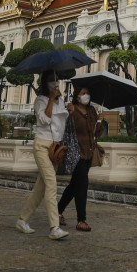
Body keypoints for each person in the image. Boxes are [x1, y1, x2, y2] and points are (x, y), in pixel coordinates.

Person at [15, 70, 70, 240]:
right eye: (52, 80)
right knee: (51, 183)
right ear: (45, 83)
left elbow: (61, 123)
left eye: (57, 79)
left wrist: (69, 108)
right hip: (41, 145)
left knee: (41, 188)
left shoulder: (61, 101)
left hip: (54, 147)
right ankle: (54, 227)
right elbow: (44, 120)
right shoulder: (40, 100)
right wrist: (52, 100)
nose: (55, 82)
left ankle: (22, 219)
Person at [57, 86, 98, 232]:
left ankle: (57, 211)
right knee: (82, 185)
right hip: (76, 152)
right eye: (82, 93)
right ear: (76, 95)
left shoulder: (92, 111)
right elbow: (66, 129)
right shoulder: (72, 109)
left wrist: (99, 122)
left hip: (89, 152)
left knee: (75, 185)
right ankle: (81, 220)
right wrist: (71, 112)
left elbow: (93, 130)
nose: (85, 95)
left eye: (87, 92)